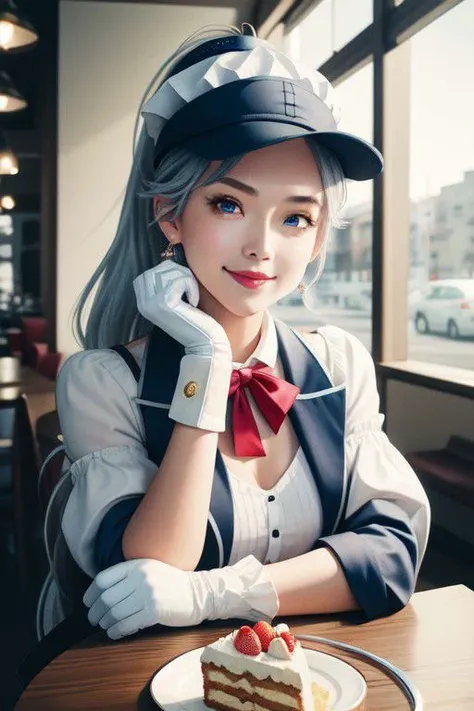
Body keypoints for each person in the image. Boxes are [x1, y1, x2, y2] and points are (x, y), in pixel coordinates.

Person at [40, 24, 430, 640]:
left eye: (296, 217)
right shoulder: (101, 381)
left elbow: (390, 554)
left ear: (320, 235)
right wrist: (206, 357)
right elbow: (137, 579)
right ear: (168, 213)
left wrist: (211, 594)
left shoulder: (339, 364)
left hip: (318, 679)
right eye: (229, 203)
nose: (262, 247)